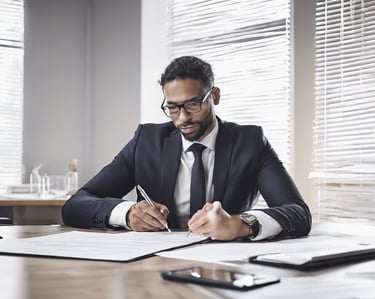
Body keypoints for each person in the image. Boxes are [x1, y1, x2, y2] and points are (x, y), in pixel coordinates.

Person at [62, 56, 311, 241]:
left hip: (227, 264)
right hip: (152, 266)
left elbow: (298, 212)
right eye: (172, 107)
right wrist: (126, 214)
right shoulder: (146, 141)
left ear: (214, 96)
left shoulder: (250, 141)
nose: (182, 118)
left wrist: (241, 224)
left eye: (193, 104)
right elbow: (76, 204)